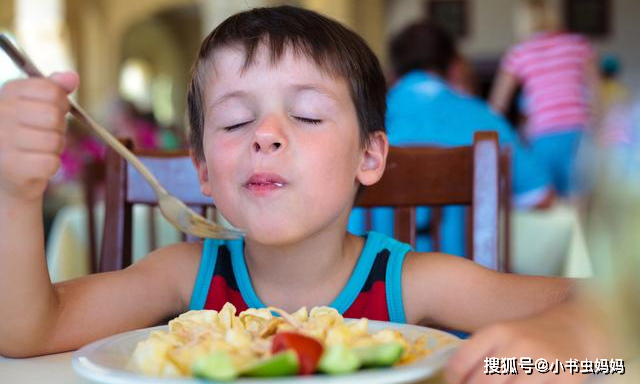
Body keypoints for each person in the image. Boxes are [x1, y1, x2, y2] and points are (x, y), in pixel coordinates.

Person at [0, 5, 589, 383]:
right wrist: (15, 194)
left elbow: (611, 309)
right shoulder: (182, 276)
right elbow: (28, 333)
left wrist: (562, 342)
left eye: (306, 115)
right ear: (203, 172)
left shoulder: (412, 283)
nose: (265, 135)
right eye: (234, 123)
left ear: (369, 155)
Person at [349, 20, 553, 255]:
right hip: (467, 283)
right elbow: (541, 197)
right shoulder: (485, 118)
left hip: (372, 284)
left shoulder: (359, 120)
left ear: (393, 73)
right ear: (455, 68)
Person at [490, 0, 599, 197]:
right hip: (579, 134)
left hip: (543, 135)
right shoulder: (578, 44)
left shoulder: (519, 53)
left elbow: (496, 107)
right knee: (583, 202)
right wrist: (600, 131)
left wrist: (510, 141)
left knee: (551, 203)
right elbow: (596, 93)